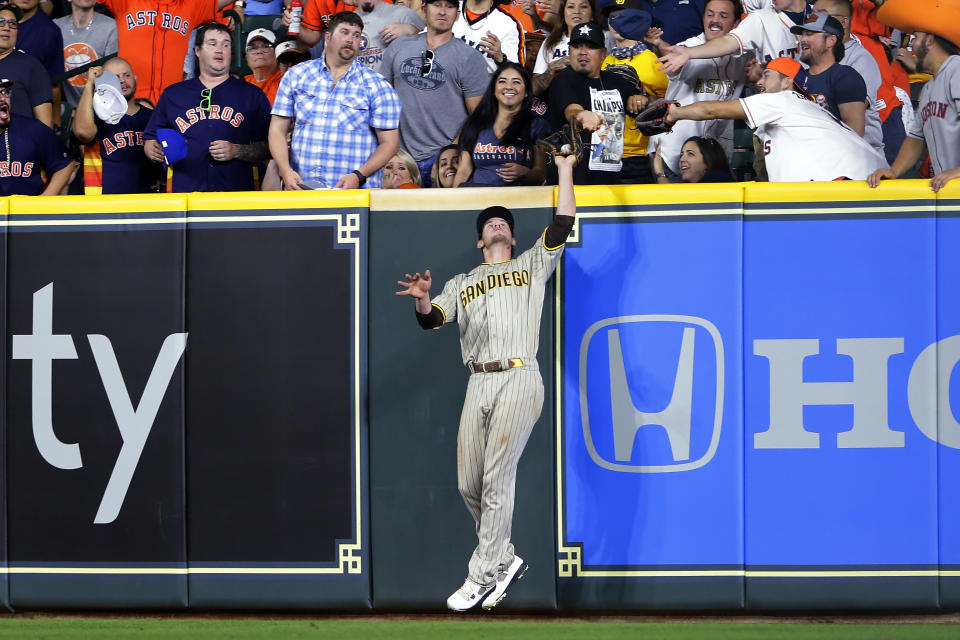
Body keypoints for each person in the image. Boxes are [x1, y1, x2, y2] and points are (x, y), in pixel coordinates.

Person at [395, 151, 579, 613]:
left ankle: (480, 576)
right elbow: (432, 320)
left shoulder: (533, 264)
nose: (497, 225)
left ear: (512, 236)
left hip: (519, 374)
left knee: (498, 476)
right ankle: (504, 559)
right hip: (478, 381)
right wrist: (420, 301)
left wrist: (564, 169)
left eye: (503, 222)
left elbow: (563, 222)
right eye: (489, 223)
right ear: (480, 240)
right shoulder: (462, 281)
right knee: (467, 484)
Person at [663, 56, 888, 181]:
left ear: (787, 83)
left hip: (851, 185)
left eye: (767, 76)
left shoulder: (784, 100)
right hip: (864, 182)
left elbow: (712, 111)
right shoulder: (803, 113)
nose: (759, 82)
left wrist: (675, 112)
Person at [270, 11, 401, 190]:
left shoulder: (377, 85)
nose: (350, 39)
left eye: (356, 35)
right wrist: (285, 170)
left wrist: (359, 175)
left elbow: (390, 143)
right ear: (328, 37)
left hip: (354, 194)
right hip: (302, 187)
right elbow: (277, 129)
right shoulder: (296, 75)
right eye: (344, 32)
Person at [144, 21, 271, 192]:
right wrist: (152, 149)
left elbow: (269, 148)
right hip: (185, 195)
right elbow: (151, 138)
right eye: (212, 44)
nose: (220, 50)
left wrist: (237, 150)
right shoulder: (173, 94)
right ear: (197, 51)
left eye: (226, 45)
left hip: (236, 195)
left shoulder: (252, 95)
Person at [380, 0, 489, 184]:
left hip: (442, 158)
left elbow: (477, 115)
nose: (442, 12)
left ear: (457, 14)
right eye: (437, 5)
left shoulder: (469, 57)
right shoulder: (398, 48)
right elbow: (382, 101)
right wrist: (388, 150)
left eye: (449, 7)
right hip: (401, 156)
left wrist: (450, 154)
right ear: (424, 9)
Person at [646, 0, 744, 177]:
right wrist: (660, 45)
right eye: (710, 14)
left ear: (736, 23)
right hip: (667, 154)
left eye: (723, 16)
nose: (715, 20)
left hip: (706, 159)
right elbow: (673, 56)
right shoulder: (690, 47)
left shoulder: (742, 56)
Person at [548, 21, 649, 184]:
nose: (583, 52)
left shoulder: (615, 81)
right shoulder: (564, 78)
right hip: (573, 180)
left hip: (611, 176)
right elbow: (571, 111)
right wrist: (581, 115)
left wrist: (642, 99)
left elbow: (646, 108)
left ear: (603, 54)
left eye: (590, 47)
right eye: (577, 46)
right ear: (569, 51)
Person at [868, 29, 960, 193]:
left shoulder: (956, 69)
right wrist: (894, 171)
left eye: (916, 38)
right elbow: (916, 139)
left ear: (930, 41)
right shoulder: (929, 88)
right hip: (949, 189)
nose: (911, 43)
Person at [97, 0, 242, 104]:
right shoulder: (125, 2)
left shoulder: (191, 5)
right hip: (127, 104)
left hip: (169, 106)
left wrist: (240, 5)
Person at [813, 0, 900, 162]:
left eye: (821, 15)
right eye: (813, 15)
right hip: (829, 149)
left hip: (877, 124)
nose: (815, 19)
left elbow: (851, 115)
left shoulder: (861, 55)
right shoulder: (811, 53)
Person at [791, 12, 884, 153]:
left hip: (839, 165)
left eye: (810, 34)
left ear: (831, 41)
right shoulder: (798, 78)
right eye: (802, 34)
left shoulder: (845, 76)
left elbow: (854, 134)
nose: (802, 39)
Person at [454, 62, 549, 186]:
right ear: (493, 89)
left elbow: (540, 175)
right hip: (479, 200)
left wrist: (525, 173)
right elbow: (463, 171)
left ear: (526, 92)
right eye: (502, 81)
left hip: (519, 200)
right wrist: (454, 204)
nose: (509, 86)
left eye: (516, 82)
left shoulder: (537, 126)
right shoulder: (476, 123)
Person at [73, 57, 159, 193]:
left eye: (127, 75)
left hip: (146, 203)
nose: (122, 80)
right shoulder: (95, 118)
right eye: (115, 77)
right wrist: (90, 84)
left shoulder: (153, 117)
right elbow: (82, 132)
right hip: (106, 205)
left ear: (135, 78)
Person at [602, 6, 668, 182]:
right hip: (606, 150)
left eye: (623, 20)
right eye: (612, 19)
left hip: (638, 152)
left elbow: (668, 102)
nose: (612, 23)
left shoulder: (651, 60)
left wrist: (646, 98)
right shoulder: (608, 59)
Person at [657, 0, 811, 74]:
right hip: (775, 110)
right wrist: (689, 52)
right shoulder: (760, 18)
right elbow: (729, 41)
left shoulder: (821, 18)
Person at [0, 78, 75, 195]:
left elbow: (64, 165)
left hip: (26, 210)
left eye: (5, 92)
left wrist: (44, 201)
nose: (2, 99)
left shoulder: (32, 129)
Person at [55, 0, 118, 108]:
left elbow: (110, 77)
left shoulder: (110, 26)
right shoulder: (56, 27)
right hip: (66, 109)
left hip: (101, 108)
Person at [0, 4, 53, 127]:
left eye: (13, 23)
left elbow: (45, 125)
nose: (7, 27)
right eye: (1, 21)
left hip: (15, 143)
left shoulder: (31, 66)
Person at [532, 0, 597, 95]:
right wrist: (553, 70)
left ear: (592, 15)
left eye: (583, 6)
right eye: (571, 6)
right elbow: (534, 89)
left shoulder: (605, 39)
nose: (577, 11)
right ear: (563, 13)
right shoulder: (550, 42)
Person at [451, 0, 526, 74]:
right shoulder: (447, 9)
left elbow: (518, 76)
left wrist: (501, 59)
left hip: (481, 84)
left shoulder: (509, 24)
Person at [652, 135, 734, 182]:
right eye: (681, 154)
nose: (682, 159)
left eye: (690, 154)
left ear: (708, 161)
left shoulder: (717, 181)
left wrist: (660, 172)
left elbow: (674, 203)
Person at [244, 28, 283, 104]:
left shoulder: (285, 80)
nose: (259, 51)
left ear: (277, 53)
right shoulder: (241, 83)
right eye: (253, 48)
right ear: (247, 58)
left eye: (266, 46)